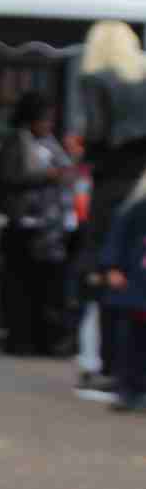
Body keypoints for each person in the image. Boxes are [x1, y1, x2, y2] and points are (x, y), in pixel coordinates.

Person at [75, 20, 146, 400]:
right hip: (141, 183)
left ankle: (108, 367)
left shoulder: (95, 80)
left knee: (105, 270)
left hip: (112, 184)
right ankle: (131, 372)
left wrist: (86, 153)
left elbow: (98, 131)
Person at [0, 90, 72, 357]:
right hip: (23, 224)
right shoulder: (16, 143)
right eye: (43, 119)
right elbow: (9, 178)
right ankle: (20, 339)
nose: (48, 125)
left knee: (46, 287)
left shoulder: (52, 144)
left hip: (51, 228)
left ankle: (45, 340)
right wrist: (46, 176)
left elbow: (66, 170)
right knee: (21, 286)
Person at [102, 169, 146, 412]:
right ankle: (127, 390)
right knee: (130, 339)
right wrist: (113, 267)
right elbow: (117, 238)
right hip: (137, 284)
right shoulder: (136, 208)